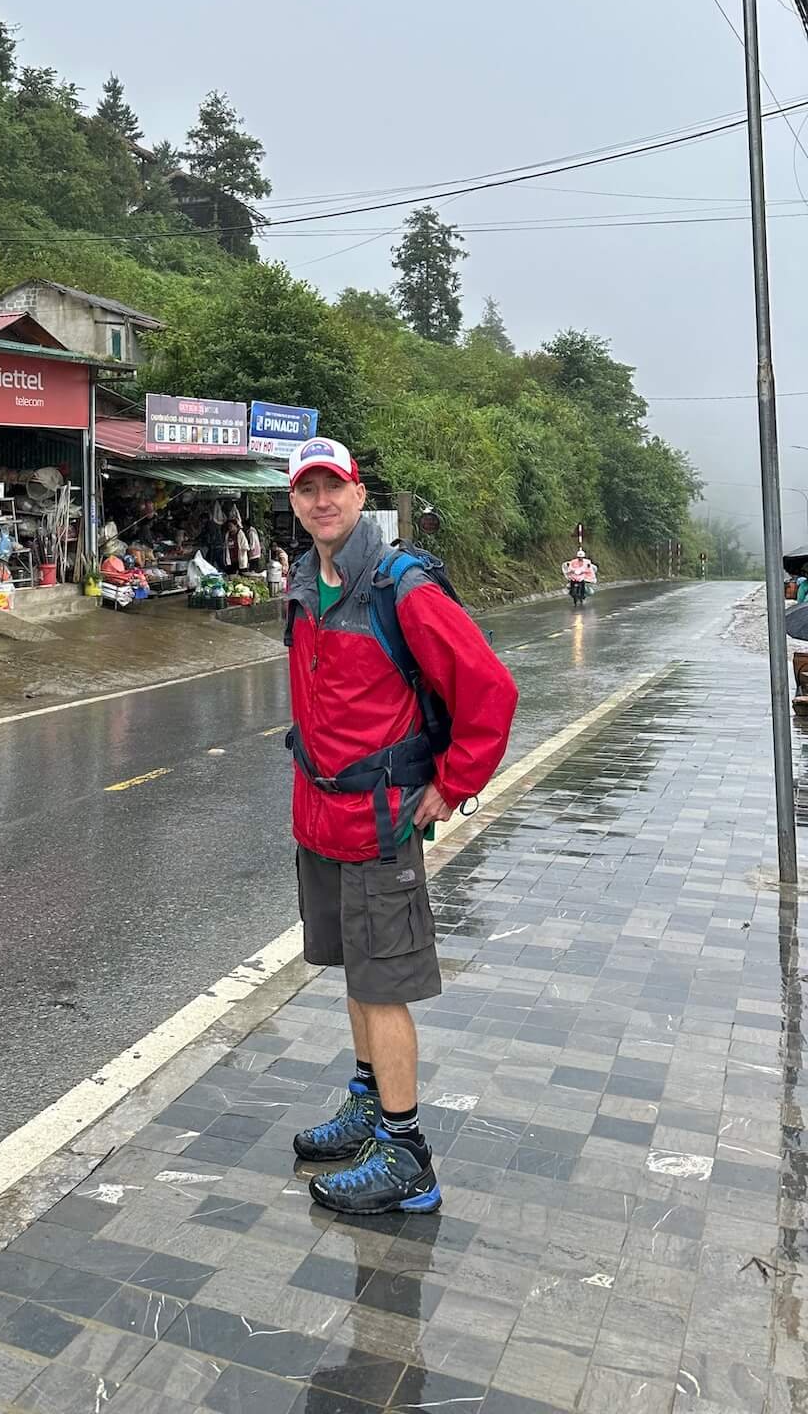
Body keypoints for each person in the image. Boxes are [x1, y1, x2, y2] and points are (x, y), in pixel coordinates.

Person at [283, 437, 518, 1214]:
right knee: (355, 968)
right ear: (294, 502)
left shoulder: (400, 586)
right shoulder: (304, 582)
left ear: (359, 495)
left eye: (334, 488)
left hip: (381, 822)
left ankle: (407, 1154)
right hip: (322, 816)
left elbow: (490, 688)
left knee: (383, 986)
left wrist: (453, 784)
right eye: (307, 490)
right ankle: (367, 1103)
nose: (322, 502)